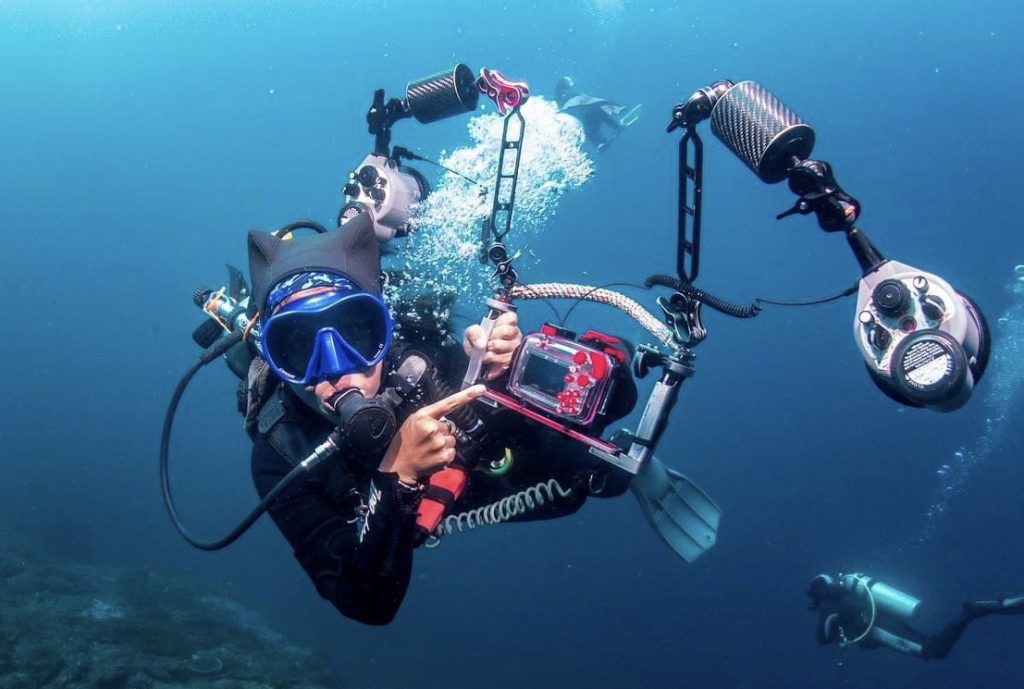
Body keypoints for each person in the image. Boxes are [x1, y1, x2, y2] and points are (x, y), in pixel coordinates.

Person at [243, 213, 634, 625]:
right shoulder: (280, 453)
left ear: (385, 328)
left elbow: (616, 397)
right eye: (299, 346)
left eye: (355, 333)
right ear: (273, 357)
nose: (335, 369)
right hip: (398, 525)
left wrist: (509, 366)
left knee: (604, 476)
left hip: (485, 469)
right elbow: (367, 604)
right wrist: (397, 476)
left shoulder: (425, 356)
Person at [807, 572, 1024, 659]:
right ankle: (979, 610)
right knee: (930, 647)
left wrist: (831, 625)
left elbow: (822, 638)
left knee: (933, 650)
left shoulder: (828, 604)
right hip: (884, 621)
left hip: (879, 629)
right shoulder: (845, 593)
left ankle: (972, 611)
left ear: (817, 591)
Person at [554, 76, 642, 152]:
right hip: (588, 112)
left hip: (583, 117)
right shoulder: (571, 95)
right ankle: (613, 128)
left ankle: (599, 142)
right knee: (598, 114)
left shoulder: (564, 98)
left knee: (589, 127)